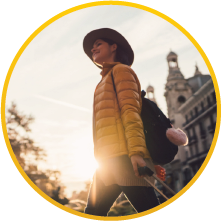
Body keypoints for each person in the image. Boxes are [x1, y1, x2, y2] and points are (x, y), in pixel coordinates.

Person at [83, 28, 165, 216]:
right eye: (92, 47)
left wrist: (137, 153)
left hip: (124, 158)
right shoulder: (103, 81)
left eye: (98, 44)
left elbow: (130, 112)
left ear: (114, 47)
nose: (93, 49)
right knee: (93, 212)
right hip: (107, 161)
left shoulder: (121, 71)